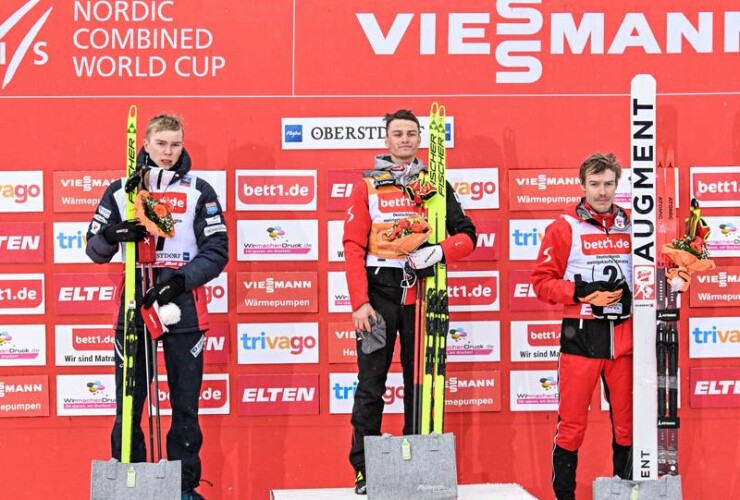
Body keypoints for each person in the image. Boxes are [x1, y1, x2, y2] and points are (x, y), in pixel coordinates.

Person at [86, 114, 228, 500]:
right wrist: (112, 233)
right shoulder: (121, 191)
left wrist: (179, 282)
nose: (168, 152)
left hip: (182, 304)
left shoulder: (200, 190)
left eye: (176, 144)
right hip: (135, 304)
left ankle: (183, 487)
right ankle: (132, 483)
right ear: (144, 145)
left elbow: (217, 251)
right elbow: (94, 250)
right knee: (129, 403)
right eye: (161, 144)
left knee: (185, 405)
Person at [342, 109, 477, 495]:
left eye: (411, 133)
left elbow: (468, 234)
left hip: (423, 292)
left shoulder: (435, 183)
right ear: (386, 140)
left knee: (421, 383)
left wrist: (439, 251)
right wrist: (358, 303)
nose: (404, 139)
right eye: (397, 133)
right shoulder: (366, 184)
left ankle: (417, 461)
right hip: (378, 294)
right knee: (371, 384)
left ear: (420, 139)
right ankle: (364, 469)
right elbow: (352, 246)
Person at [531, 153, 633, 500]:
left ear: (616, 185)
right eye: (594, 184)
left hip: (625, 339)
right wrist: (580, 292)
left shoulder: (635, 224)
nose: (602, 192)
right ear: (582, 185)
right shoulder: (564, 226)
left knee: (627, 426)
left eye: (608, 184)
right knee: (572, 427)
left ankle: (627, 492)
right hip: (581, 337)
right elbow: (541, 283)